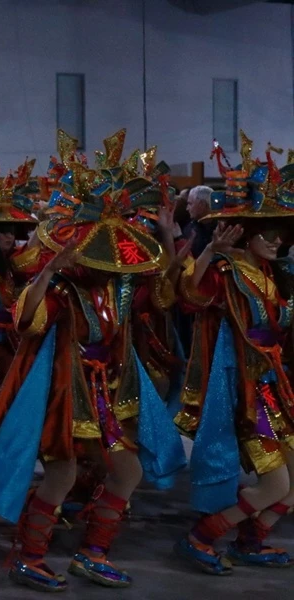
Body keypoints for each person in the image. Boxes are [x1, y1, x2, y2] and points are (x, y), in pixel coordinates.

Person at [0, 130, 186, 592]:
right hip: (67, 396)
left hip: (108, 394)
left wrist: (170, 241)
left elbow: (169, 298)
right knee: (62, 473)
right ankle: (29, 556)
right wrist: (49, 270)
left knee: (127, 470)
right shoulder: (63, 290)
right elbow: (26, 322)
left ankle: (93, 553)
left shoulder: (123, 286)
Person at [175, 134, 294, 573]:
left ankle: (251, 540)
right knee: (274, 483)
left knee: (292, 483)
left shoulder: (268, 275)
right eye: (269, 233)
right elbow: (186, 296)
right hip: (247, 393)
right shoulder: (227, 271)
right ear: (243, 231)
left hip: (274, 388)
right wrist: (209, 251)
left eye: (281, 234)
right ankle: (201, 538)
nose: (278, 242)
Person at [183, 185, 215, 257]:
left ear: (202, 204)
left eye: (190, 204)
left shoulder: (222, 229)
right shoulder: (189, 229)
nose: (187, 209)